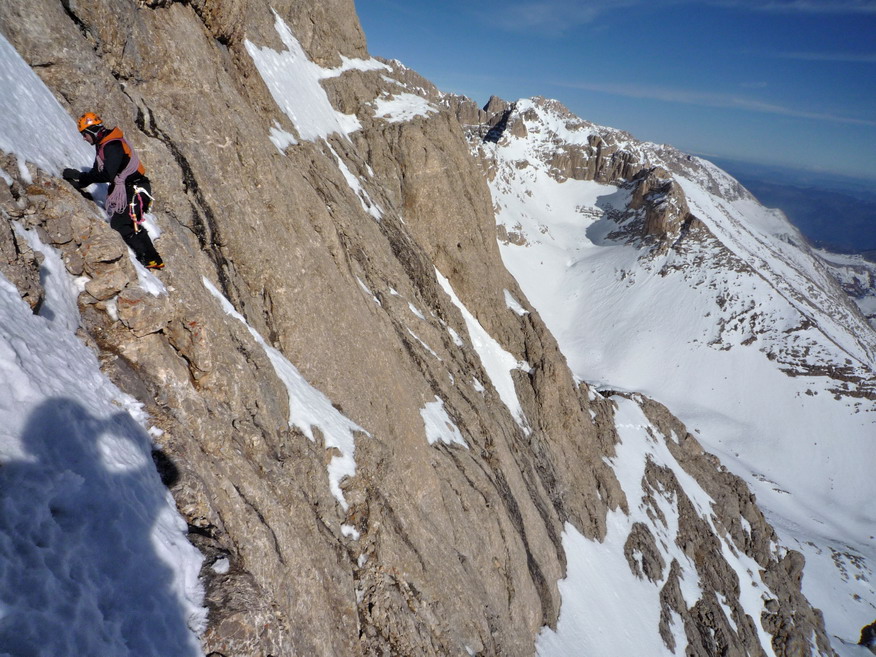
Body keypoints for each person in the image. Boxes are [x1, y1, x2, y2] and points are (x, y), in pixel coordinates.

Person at [63, 112, 164, 269]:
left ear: (93, 131)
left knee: (121, 223)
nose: (84, 138)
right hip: (130, 187)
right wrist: (81, 182)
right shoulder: (104, 144)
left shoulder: (112, 146)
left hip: (135, 188)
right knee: (128, 222)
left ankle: (149, 258)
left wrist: (80, 176)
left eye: (84, 134)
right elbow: (97, 170)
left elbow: (106, 174)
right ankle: (152, 258)